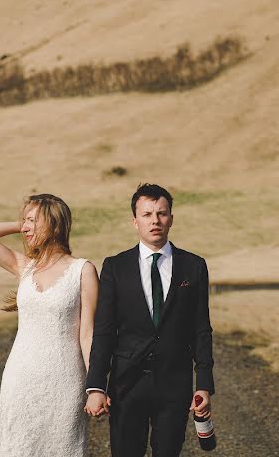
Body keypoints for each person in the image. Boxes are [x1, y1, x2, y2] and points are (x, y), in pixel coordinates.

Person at [85, 183, 214, 457]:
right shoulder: (115, 267)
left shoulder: (193, 266)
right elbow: (104, 331)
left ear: (171, 218)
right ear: (135, 221)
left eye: (162, 213)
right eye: (147, 214)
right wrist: (96, 385)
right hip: (126, 385)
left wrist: (203, 383)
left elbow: (201, 329)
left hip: (174, 385)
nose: (155, 220)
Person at [0, 194, 99, 457]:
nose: (25, 227)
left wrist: (96, 387)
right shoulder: (25, 267)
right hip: (20, 378)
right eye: (24, 221)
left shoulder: (82, 271)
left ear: (54, 224)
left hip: (64, 381)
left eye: (33, 221)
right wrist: (24, 224)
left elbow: (88, 334)